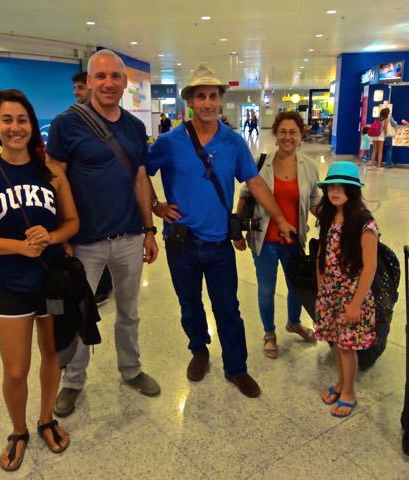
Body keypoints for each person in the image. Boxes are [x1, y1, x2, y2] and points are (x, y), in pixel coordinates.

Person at [147, 63, 297, 397]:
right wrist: (155, 206)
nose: (207, 103)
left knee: (227, 308)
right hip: (181, 242)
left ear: (219, 99)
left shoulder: (233, 142)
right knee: (189, 303)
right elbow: (141, 171)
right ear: (190, 101)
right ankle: (199, 349)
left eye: (213, 96)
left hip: (217, 245)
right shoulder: (170, 141)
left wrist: (281, 219)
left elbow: (255, 183)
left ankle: (236, 367)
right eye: (200, 96)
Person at [0, 89, 79, 471]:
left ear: (32, 125)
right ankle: (18, 429)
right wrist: (17, 247)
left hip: (51, 282)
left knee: (53, 355)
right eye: (6, 120)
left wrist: (52, 237)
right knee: (15, 369)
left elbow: (72, 223)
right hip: (9, 284)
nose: (15, 127)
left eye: (22, 119)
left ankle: (46, 418)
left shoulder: (52, 172)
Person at [46, 49, 161, 417]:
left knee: (129, 311)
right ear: (90, 82)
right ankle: (73, 382)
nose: (109, 83)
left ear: (126, 82)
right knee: (80, 313)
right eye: (101, 76)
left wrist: (148, 230)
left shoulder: (134, 127)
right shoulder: (68, 124)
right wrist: (61, 233)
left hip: (128, 236)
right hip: (85, 241)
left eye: (115, 76)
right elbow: (55, 178)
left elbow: (141, 179)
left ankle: (131, 369)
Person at [233, 111, 321, 358]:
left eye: (293, 132)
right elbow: (245, 195)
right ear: (275, 134)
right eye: (283, 132)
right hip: (265, 239)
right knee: (266, 289)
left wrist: (336, 218)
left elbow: (315, 201)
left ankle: (293, 323)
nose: (288, 137)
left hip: (294, 239)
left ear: (301, 134)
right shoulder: (261, 164)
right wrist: (237, 231)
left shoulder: (309, 168)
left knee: (296, 287)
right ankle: (269, 333)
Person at [314, 161, 378, 418]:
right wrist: (321, 288)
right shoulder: (329, 217)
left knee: (347, 346)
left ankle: (349, 391)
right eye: (331, 187)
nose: (335, 191)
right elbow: (322, 252)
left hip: (352, 295)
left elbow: (370, 267)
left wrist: (355, 303)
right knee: (337, 345)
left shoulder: (365, 223)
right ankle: (340, 383)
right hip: (331, 293)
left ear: (354, 190)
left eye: (343, 187)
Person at [71, 70, 114, 306]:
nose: (77, 93)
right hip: (83, 206)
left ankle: (102, 288)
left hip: (110, 209)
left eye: (79, 87)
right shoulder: (68, 122)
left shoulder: (122, 123)